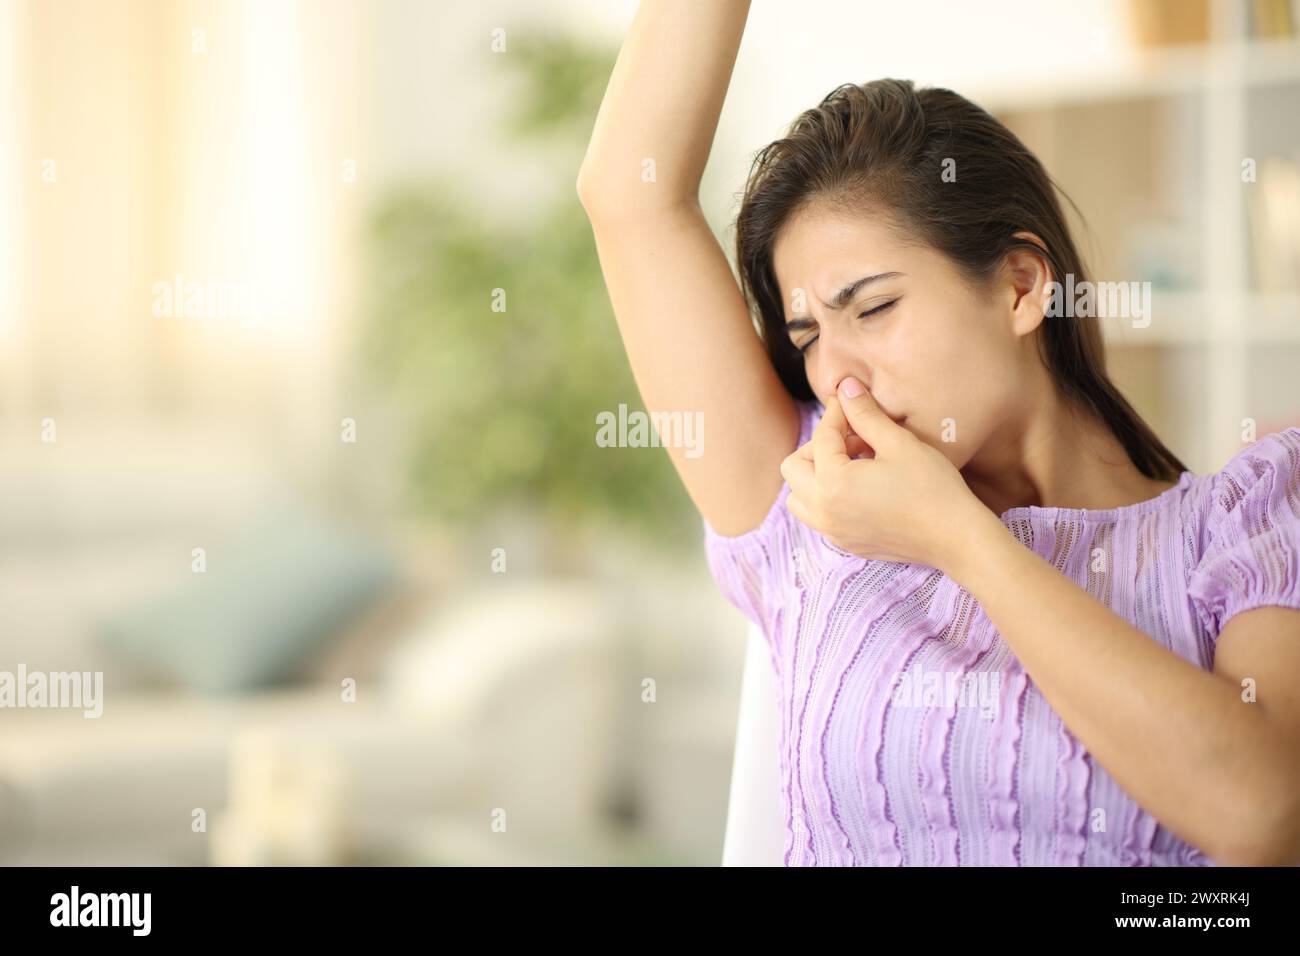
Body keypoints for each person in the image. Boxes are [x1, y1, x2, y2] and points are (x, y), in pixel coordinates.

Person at [577, 0, 1300, 866]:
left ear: (1023, 285)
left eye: (874, 307)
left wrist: (957, 537)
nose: (837, 376)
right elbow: (629, 191)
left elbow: (1263, 815)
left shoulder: (1248, 523)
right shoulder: (810, 499)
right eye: (807, 336)